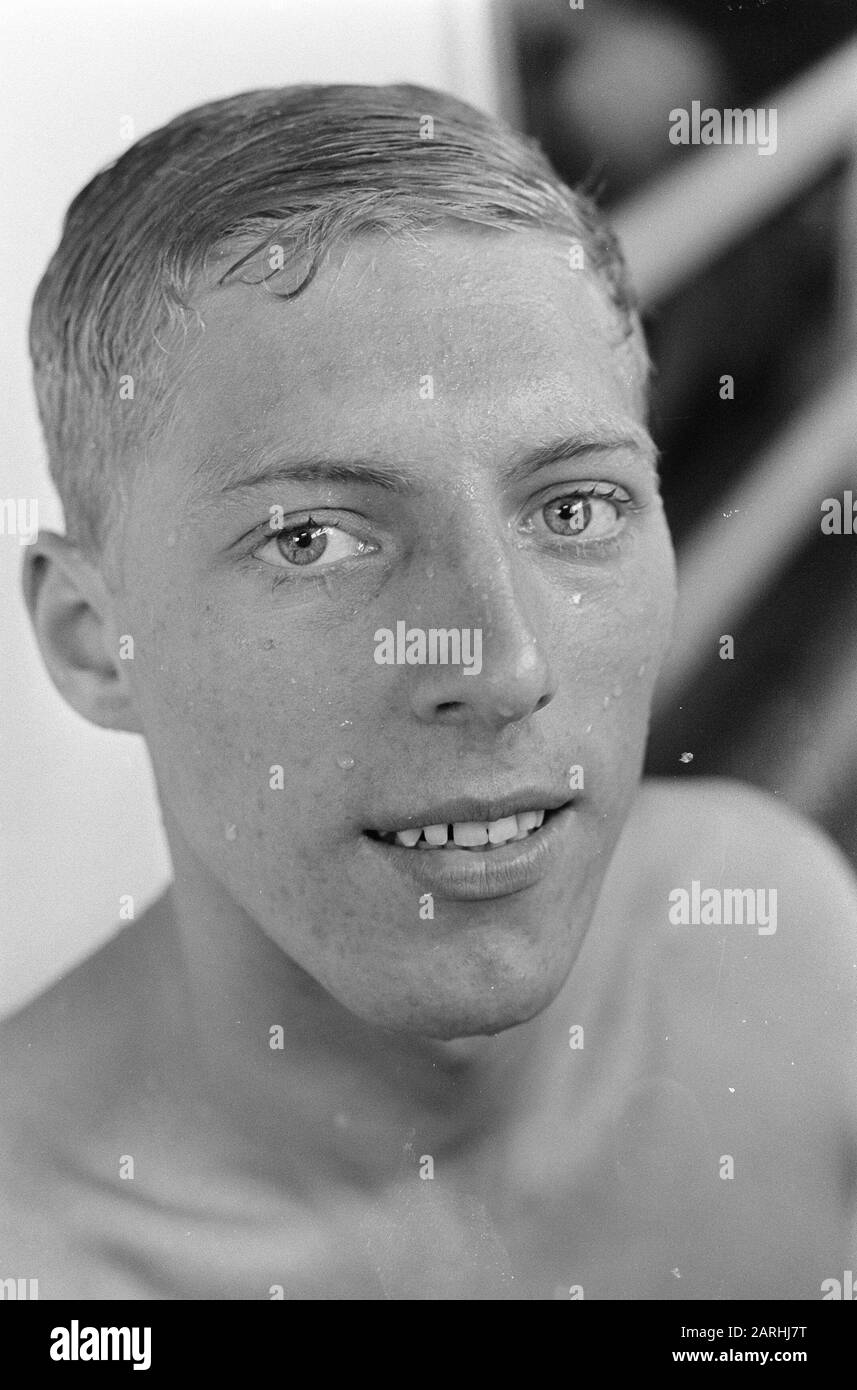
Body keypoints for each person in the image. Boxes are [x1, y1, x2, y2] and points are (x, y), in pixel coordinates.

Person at [2, 84, 855, 1300]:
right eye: (313, 539)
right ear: (93, 640)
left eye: (574, 507)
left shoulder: (786, 947)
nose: (502, 666)